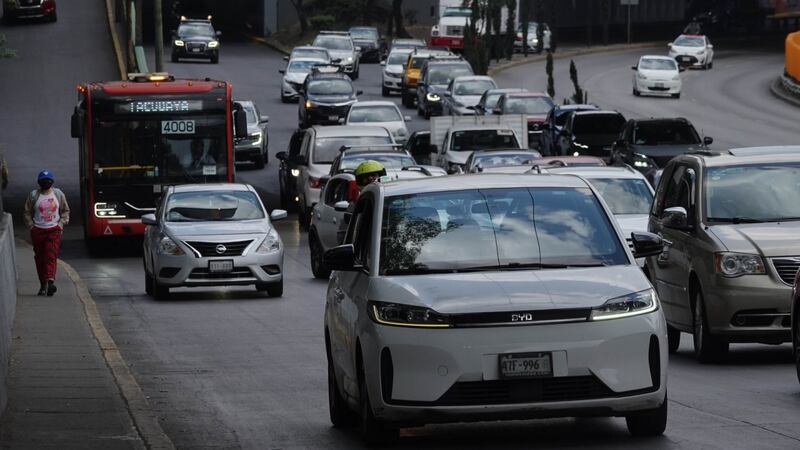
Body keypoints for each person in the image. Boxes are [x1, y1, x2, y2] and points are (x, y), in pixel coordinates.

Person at [23, 170, 70, 296]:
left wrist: (60, 224)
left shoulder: (58, 194)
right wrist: (31, 226)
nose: (46, 183)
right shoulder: (33, 195)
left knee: (50, 255)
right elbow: (27, 212)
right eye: (43, 181)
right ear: (39, 183)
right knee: (40, 258)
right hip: (38, 231)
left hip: (54, 230)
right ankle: (43, 284)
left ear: (52, 182)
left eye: (48, 180)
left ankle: (50, 281)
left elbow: (65, 210)